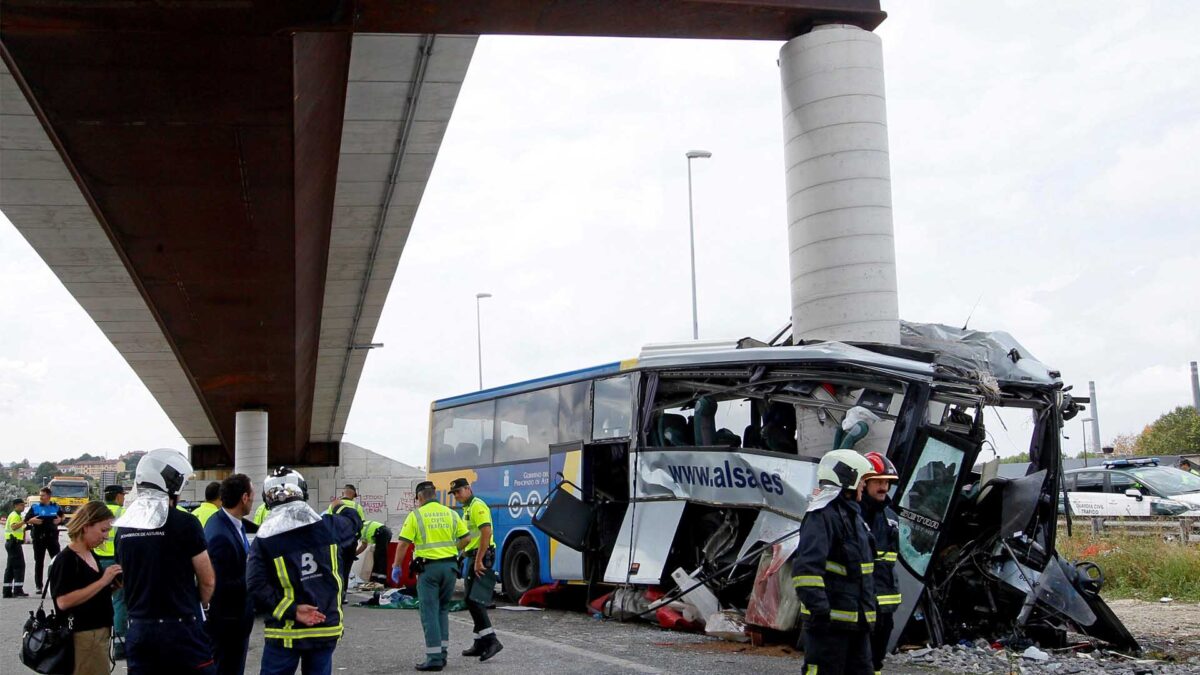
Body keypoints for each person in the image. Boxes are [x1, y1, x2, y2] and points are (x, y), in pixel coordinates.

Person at [247, 467, 359, 675]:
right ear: (303, 492)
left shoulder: (264, 540)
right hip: (325, 626)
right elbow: (353, 524)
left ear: (267, 499)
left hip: (284, 631)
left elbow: (255, 585)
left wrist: (292, 610)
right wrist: (341, 505)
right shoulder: (329, 526)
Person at [115, 448, 216, 674]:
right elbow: (207, 579)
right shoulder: (186, 523)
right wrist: (200, 602)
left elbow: (123, 575)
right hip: (182, 627)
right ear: (172, 487)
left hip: (140, 627)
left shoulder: (124, 527)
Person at [793, 449, 877, 675]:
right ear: (848, 478)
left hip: (856, 628)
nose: (863, 486)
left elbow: (862, 574)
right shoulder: (822, 516)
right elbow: (806, 571)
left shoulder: (856, 519)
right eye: (863, 480)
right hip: (829, 629)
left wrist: (868, 618)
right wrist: (821, 613)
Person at [392, 480, 469, 672]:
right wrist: (452, 550)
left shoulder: (416, 515)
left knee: (429, 612)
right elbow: (466, 538)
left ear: (419, 497)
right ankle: (442, 654)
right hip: (451, 568)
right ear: (434, 494)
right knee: (443, 609)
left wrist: (396, 566)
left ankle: (434, 658)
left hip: (429, 571)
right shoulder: (451, 513)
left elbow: (403, 544)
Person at [49, 500, 122, 675]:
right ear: (86, 526)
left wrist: (113, 585)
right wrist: (103, 581)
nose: (105, 536)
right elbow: (64, 601)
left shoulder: (90, 554)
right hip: (82, 635)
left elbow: (91, 593)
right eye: (103, 530)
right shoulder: (66, 560)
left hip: (98, 633)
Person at [204, 474, 255, 675]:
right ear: (244, 498)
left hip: (236, 620)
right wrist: (255, 579)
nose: (253, 500)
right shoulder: (220, 534)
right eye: (251, 495)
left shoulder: (231, 523)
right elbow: (221, 584)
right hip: (228, 623)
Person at [450, 477, 503, 661]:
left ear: (468, 489)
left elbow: (486, 532)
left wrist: (479, 560)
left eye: (458, 492)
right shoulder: (467, 508)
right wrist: (463, 555)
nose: (456, 496)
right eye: (454, 493)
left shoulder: (477, 506)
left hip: (482, 556)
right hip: (473, 556)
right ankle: (479, 642)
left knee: (475, 600)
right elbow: (473, 536)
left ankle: (492, 641)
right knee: (470, 599)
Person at [861, 451, 902, 674]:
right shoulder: (853, 515)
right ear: (864, 482)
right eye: (878, 481)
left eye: (886, 482)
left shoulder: (891, 517)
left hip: (884, 607)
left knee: (876, 663)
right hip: (861, 604)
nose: (884, 487)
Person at [94, 484, 128, 657]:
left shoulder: (97, 513)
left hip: (96, 561)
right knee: (120, 601)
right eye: (123, 495)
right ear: (118, 496)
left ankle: (96, 642)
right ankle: (119, 645)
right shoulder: (124, 513)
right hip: (116, 563)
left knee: (96, 601)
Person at [27, 486, 64, 594]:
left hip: (52, 537)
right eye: (40, 495)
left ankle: (57, 583)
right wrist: (32, 520)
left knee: (56, 561)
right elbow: (27, 520)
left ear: (48, 496)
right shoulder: (35, 507)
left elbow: (63, 517)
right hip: (39, 538)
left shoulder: (55, 507)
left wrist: (60, 520)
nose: (41, 497)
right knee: (39, 562)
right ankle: (39, 586)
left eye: (43, 495)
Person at [326, 493, 363, 599]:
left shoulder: (333, 514)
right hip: (352, 545)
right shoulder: (355, 510)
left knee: (337, 570)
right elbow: (360, 526)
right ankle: (343, 593)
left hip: (339, 546)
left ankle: (337, 593)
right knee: (346, 570)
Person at [4, 497, 29, 598]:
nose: (23, 507)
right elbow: (14, 527)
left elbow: (20, 528)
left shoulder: (16, 515)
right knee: (19, 567)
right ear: (16, 506)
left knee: (10, 568)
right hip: (14, 543)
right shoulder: (15, 515)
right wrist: (25, 521)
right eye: (21, 505)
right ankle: (18, 590)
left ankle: (7, 591)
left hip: (12, 543)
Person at [355, 518, 392, 585]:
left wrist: (354, 554)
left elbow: (363, 546)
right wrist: (355, 554)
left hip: (382, 533)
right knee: (377, 556)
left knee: (380, 557)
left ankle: (381, 580)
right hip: (384, 532)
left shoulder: (361, 530)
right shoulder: (364, 526)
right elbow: (364, 546)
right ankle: (375, 578)